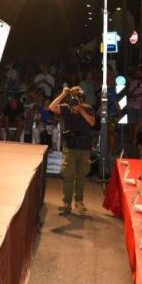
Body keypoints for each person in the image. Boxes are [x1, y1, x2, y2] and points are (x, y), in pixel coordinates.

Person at [50, 85, 97, 214]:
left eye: (78, 96)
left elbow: (92, 123)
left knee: (82, 175)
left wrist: (80, 109)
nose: (76, 99)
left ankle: (79, 201)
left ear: (82, 97)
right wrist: (63, 94)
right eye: (73, 96)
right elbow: (52, 107)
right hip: (70, 146)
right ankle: (66, 203)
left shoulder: (88, 108)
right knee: (68, 175)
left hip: (84, 146)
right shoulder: (66, 108)